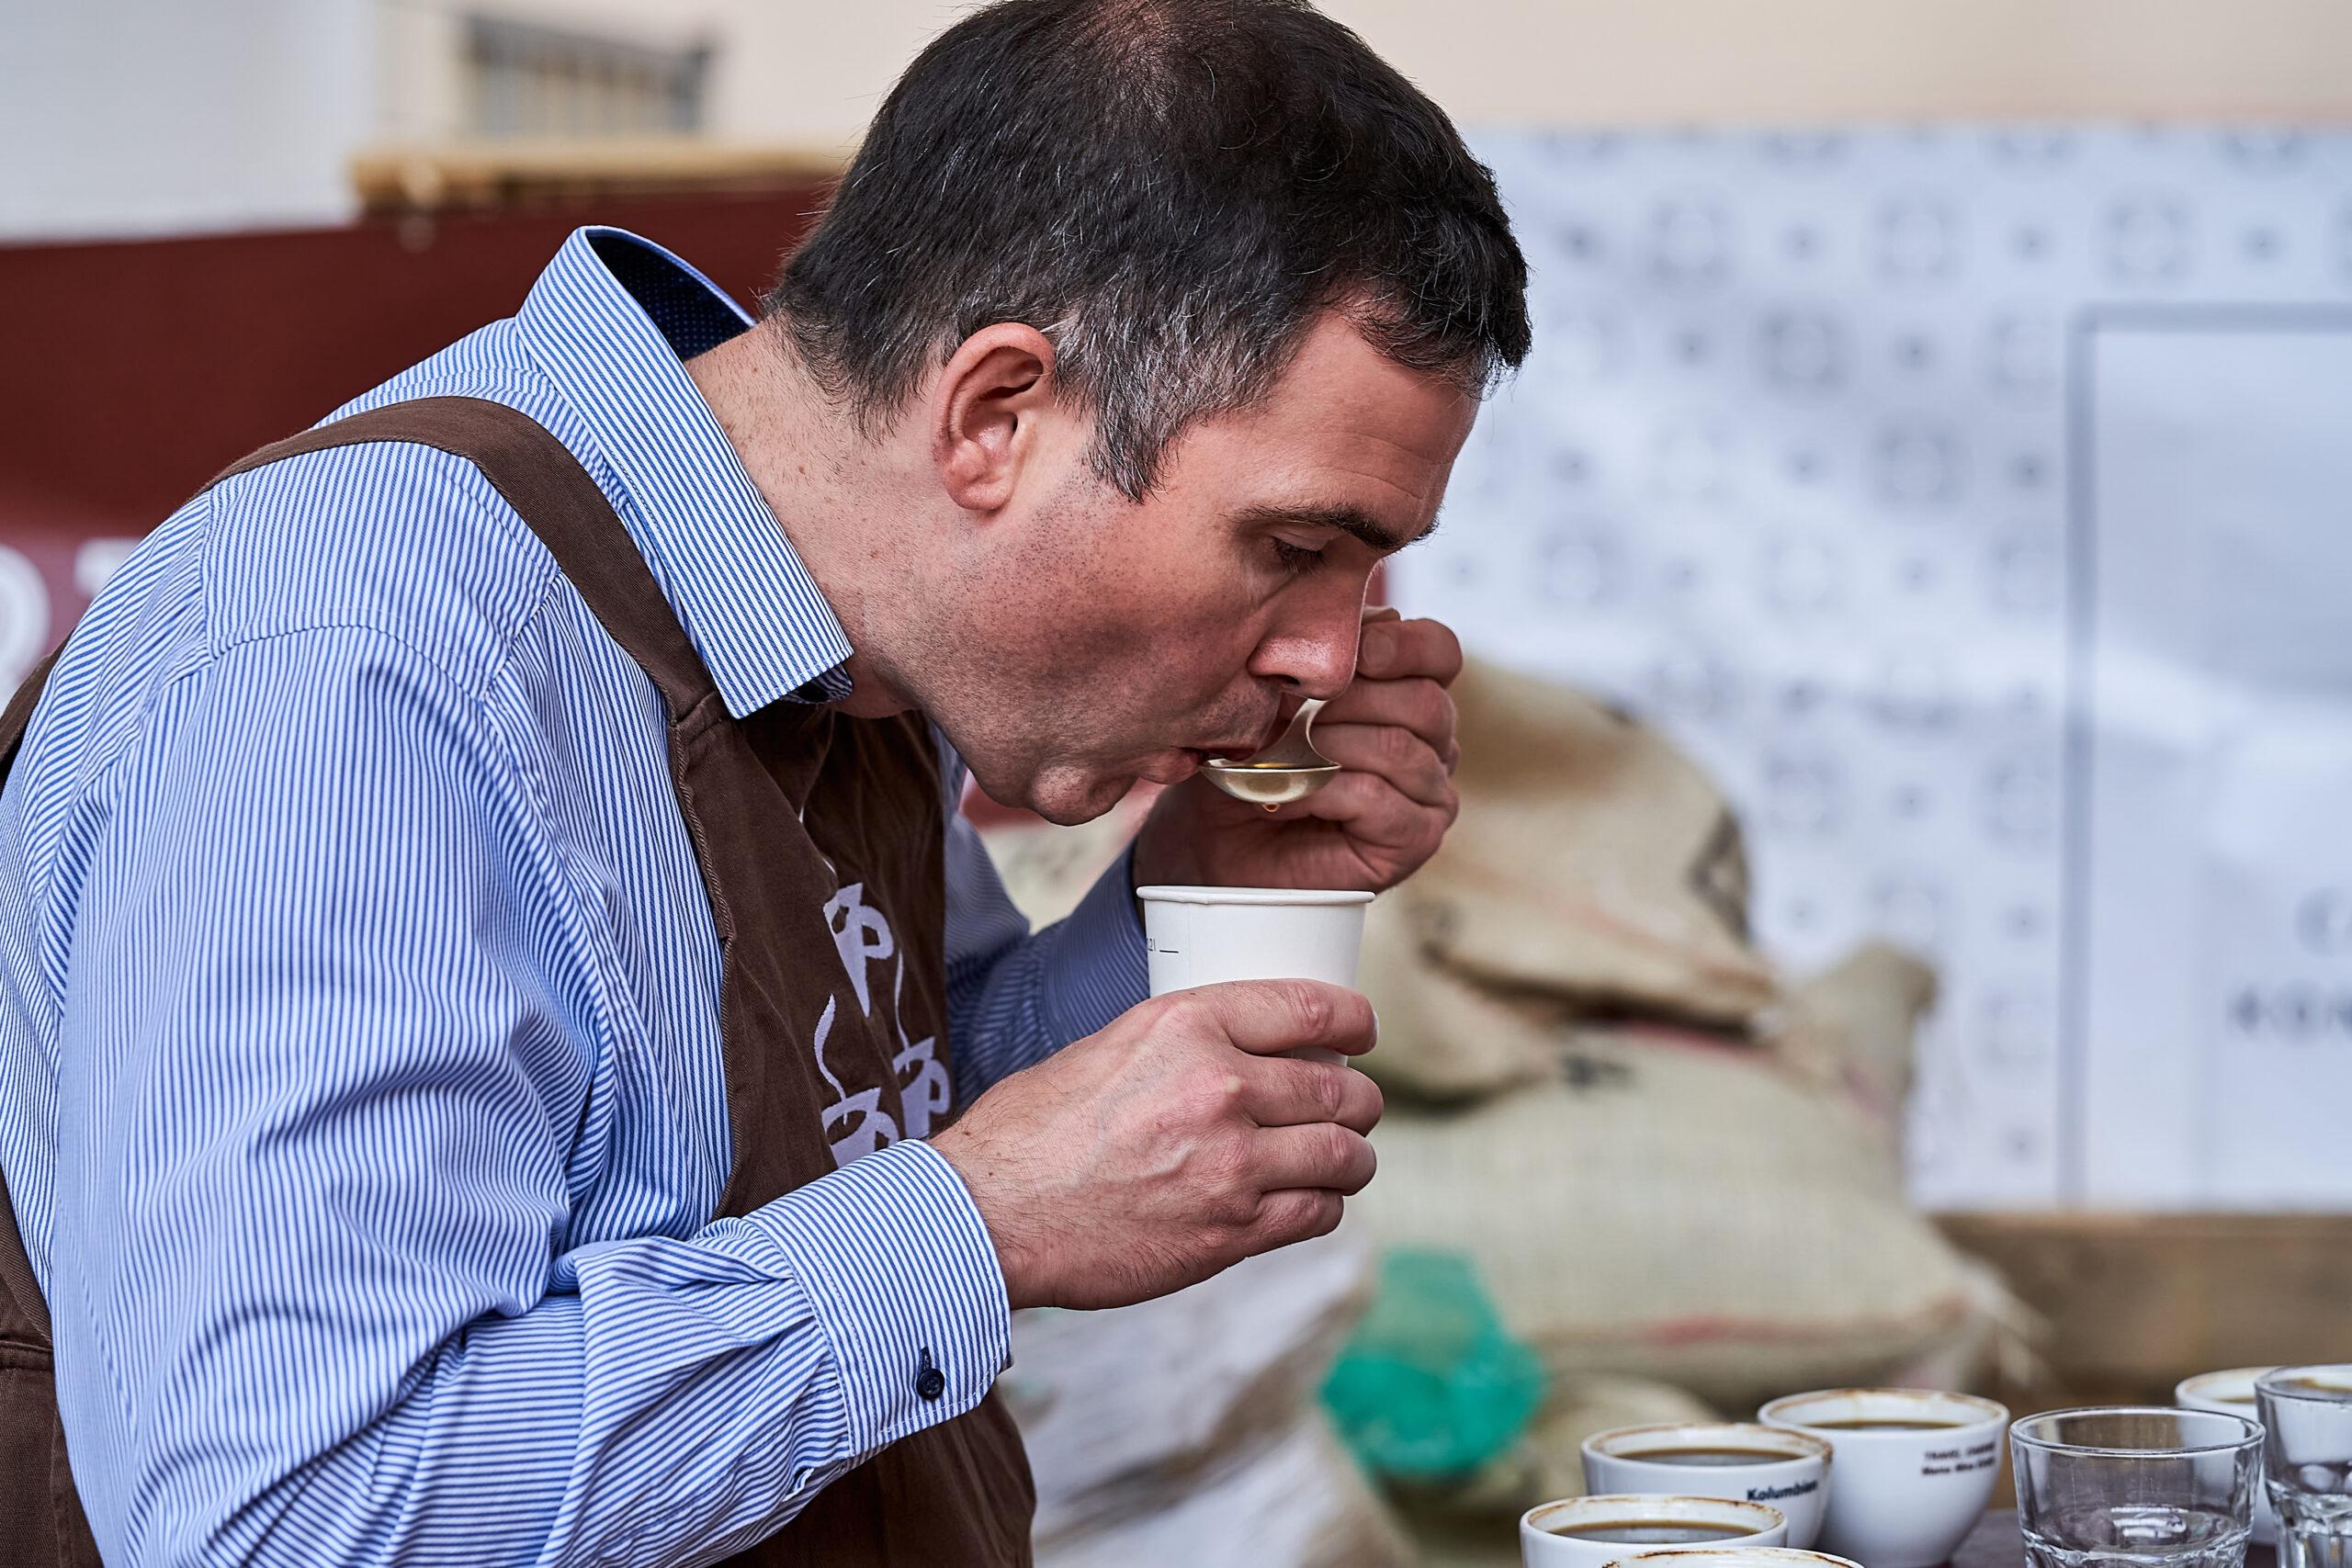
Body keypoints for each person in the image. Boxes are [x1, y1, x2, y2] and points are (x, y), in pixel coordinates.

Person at [0, 0, 1529, 1562]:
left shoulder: (850, 631)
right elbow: (289, 1514)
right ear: (996, 416)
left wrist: (1184, 893)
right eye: (1293, 546)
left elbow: (880, 1107)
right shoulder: (349, 672)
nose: (1330, 657)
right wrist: (973, 1229)